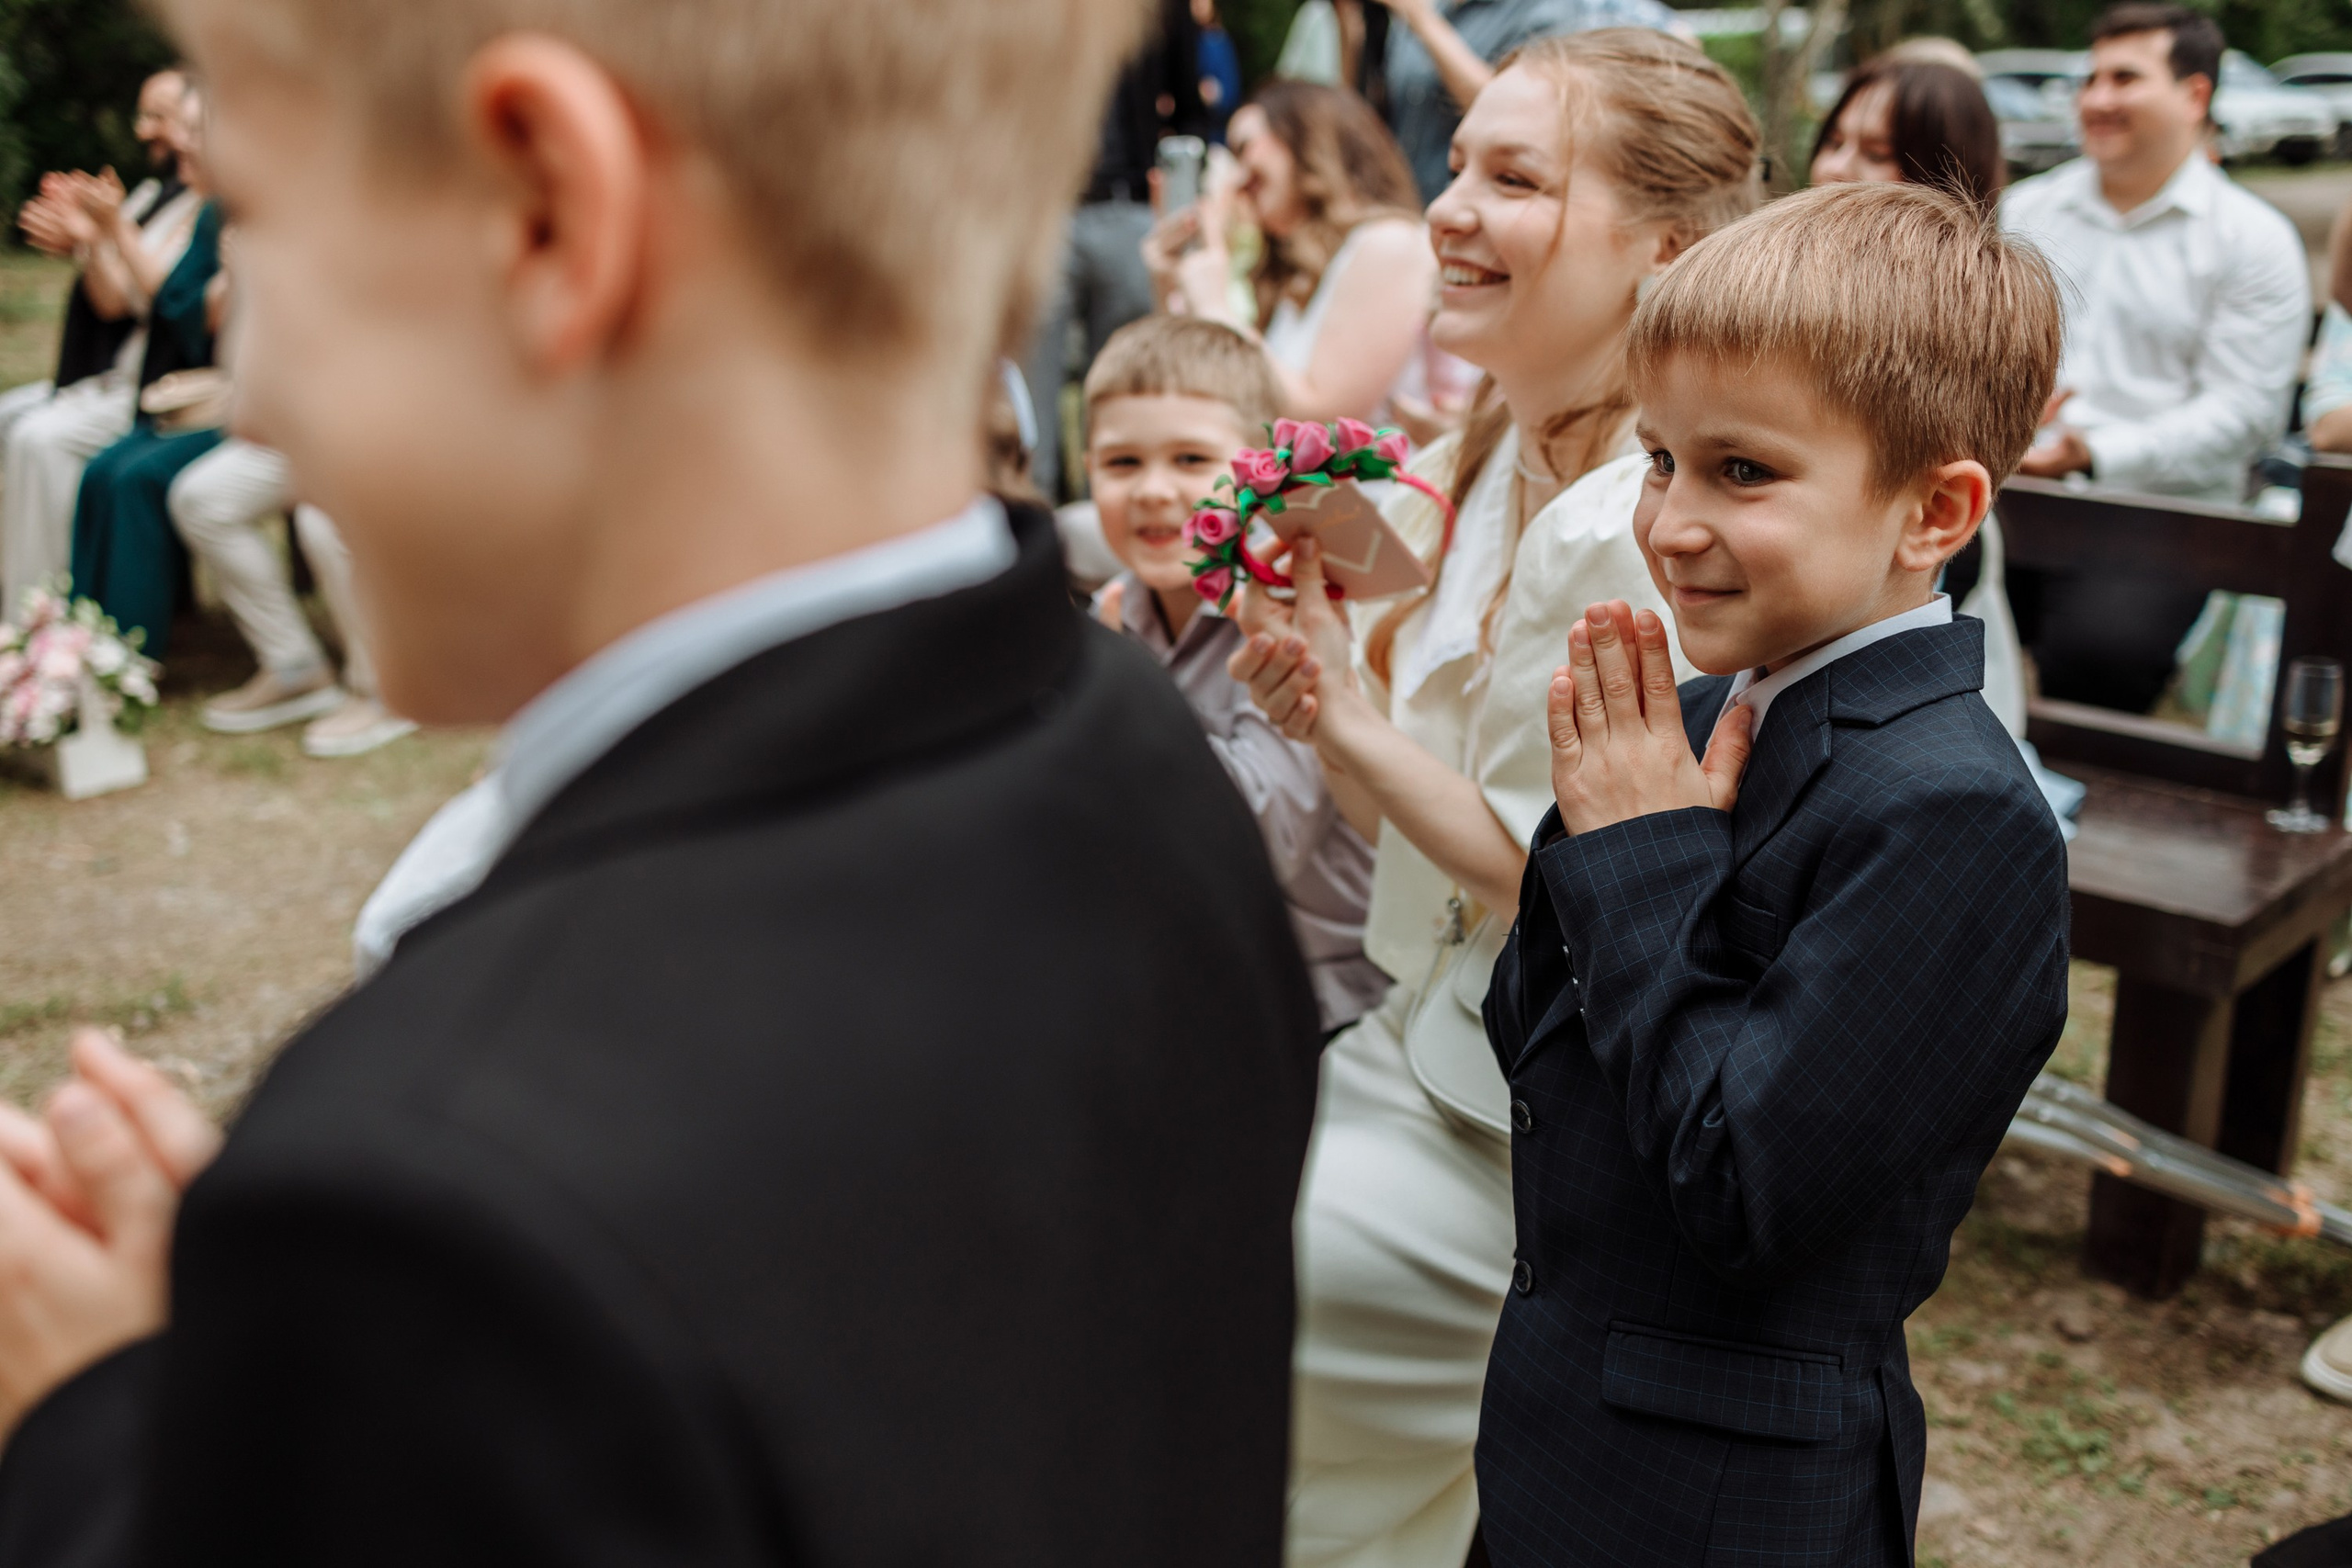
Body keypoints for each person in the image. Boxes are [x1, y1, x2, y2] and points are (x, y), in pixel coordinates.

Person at [0, 3, 1324, 1566]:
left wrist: (114, 1436)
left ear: (548, 210)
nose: (257, 392)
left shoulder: (437, 1195)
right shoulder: (1135, 747)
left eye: (263, 234)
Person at [1477, 180, 2071, 1568]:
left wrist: (1639, 850)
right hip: (1568, 1432)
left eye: (1742, 472)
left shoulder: (1954, 813)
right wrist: (1603, 829)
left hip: (1722, 1503)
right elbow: (1536, 1042)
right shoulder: (1707, 708)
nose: (1671, 520)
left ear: (1935, 508)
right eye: (1661, 459)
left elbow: (1745, 1192)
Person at [1226, 30, 1758, 1564]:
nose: (1446, 209)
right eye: (1457, 163)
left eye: (1513, 178)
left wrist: (1337, 710)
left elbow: (1565, 878)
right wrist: (1307, 617)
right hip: (1424, 1032)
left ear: (1665, 247)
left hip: (1528, 1132)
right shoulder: (1489, 449)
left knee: (1186, 1281)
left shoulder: (1632, 525)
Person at [1084, 315, 1386, 1035]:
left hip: (1312, 991)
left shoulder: (1289, 617)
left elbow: (1254, 838)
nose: (1154, 490)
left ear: (1255, 473)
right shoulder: (1110, 609)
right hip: (1171, 956)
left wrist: (1102, 720)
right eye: (1122, 464)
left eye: (1190, 459)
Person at [2003, 3, 2309, 714]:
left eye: (2124, 78)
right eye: (2090, 79)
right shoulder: (2026, 211)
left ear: (2195, 94)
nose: (2096, 100)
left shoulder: (2254, 239)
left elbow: (2246, 414)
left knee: (2100, 656)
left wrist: (2088, 451)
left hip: (2163, 518)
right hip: (2008, 488)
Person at [0, 70, 203, 618]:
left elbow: (160, 302)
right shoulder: (151, 196)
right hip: (116, 375)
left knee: (40, 440)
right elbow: (115, 298)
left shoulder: (209, 212)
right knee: (7, 417)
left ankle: (39, 616)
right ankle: (14, 595)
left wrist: (103, 233)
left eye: (167, 120)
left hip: (164, 387)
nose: (151, 132)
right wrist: (88, 237)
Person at [1146, 81, 1434, 424]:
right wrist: (1168, 284)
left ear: (1306, 136)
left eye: (1244, 148)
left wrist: (1214, 307)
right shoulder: (1297, 276)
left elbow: (1326, 418)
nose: (1237, 180)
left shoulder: (1390, 244)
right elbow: (1209, 397)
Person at [1019, 0, 1209, 502]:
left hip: (1126, 209)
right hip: (1039, 210)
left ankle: (1114, 520)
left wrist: (1182, 203)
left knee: (1126, 384)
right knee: (1029, 391)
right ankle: (1034, 529)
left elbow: (1189, 105)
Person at [64, 82, 225, 659]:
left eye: (198, 133)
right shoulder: (211, 216)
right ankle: (81, 637)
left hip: (242, 403)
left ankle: (128, 657)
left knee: (136, 477)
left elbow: (189, 313)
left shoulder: (240, 214)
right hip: (191, 394)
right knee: (105, 470)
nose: (186, 146)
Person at [169, 440, 413, 756]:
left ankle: (383, 688)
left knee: (323, 521)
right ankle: (295, 667)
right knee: (201, 496)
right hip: (316, 428)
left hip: (398, 431)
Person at [1374, 0, 1686, 204]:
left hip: (1484, 212)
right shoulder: (1423, 9)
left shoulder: (1549, 11)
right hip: (1406, 208)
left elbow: (1520, 115)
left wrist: (1422, 22)